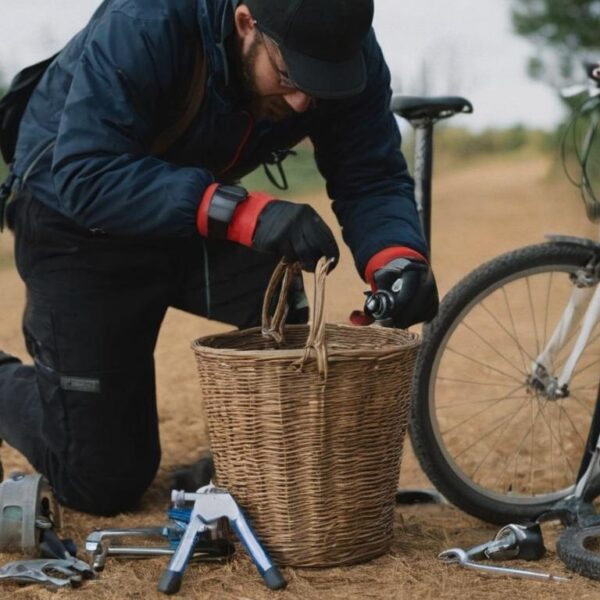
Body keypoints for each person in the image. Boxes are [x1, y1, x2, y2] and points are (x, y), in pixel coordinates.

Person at [0, 0, 438, 515]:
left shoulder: (339, 47)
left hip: (186, 213)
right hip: (76, 217)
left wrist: (398, 259)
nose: (302, 102)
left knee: (280, 294)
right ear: (246, 22)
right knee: (102, 481)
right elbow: (85, 173)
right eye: (290, 76)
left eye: (321, 86)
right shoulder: (146, 21)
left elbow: (371, 173)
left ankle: (253, 463)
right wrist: (241, 211)